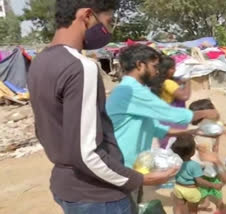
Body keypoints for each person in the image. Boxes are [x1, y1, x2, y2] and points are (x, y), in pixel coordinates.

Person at [27, 1, 177, 214]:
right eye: (106, 21)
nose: (107, 30)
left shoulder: (40, 62)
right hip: (98, 195)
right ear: (87, 16)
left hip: (66, 187)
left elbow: (43, 129)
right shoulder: (81, 66)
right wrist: (139, 179)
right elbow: (86, 153)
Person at [106, 44, 219, 169]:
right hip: (121, 164)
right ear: (140, 65)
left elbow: (154, 128)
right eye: (154, 66)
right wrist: (204, 113)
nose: (157, 71)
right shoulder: (130, 90)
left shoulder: (136, 89)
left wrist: (191, 131)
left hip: (133, 165)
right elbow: (170, 114)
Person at [171, 135, 223, 214]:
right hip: (191, 191)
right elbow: (200, 181)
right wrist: (213, 185)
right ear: (193, 152)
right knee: (192, 211)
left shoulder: (175, 162)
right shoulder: (194, 165)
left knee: (178, 207)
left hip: (178, 188)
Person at [189, 99, 224, 212]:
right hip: (212, 162)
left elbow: (201, 149)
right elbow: (216, 146)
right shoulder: (216, 127)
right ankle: (215, 204)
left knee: (202, 185)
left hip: (203, 164)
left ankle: (210, 204)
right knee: (214, 184)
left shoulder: (200, 132)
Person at [152, 56, 192, 149]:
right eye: (172, 68)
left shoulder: (157, 80)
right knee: (174, 144)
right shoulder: (168, 83)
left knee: (164, 143)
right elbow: (184, 96)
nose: (175, 70)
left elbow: (176, 80)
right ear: (166, 69)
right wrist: (188, 82)